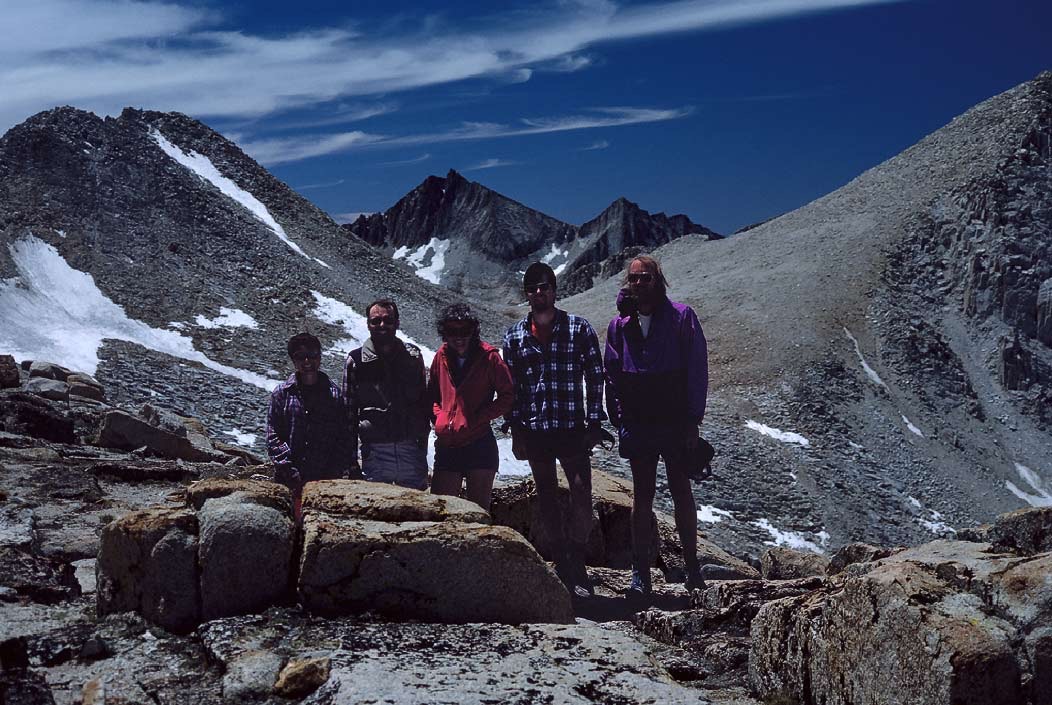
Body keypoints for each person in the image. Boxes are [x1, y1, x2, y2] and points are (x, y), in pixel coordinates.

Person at [604, 255, 709, 597]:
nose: (639, 283)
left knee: (681, 491)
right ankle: (640, 573)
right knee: (642, 496)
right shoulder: (619, 326)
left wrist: (693, 420)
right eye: (634, 279)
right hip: (640, 423)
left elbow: (697, 369)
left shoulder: (681, 317)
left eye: (645, 278)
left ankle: (692, 567)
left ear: (658, 280)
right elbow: (613, 374)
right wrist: (619, 417)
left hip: (675, 421)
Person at [502, 262, 605, 595]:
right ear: (526, 293)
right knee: (546, 493)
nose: (538, 293)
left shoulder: (578, 328)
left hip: (572, 425)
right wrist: (515, 427)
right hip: (536, 427)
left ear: (554, 290)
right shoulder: (515, 335)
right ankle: (562, 560)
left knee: (581, 491)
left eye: (544, 286)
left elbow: (595, 374)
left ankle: (576, 557)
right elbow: (512, 385)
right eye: (532, 288)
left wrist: (593, 420)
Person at [428, 303, 514, 510]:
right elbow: (432, 394)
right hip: (448, 445)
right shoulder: (441, 355)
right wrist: (440, 417)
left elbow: (508, 394)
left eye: (464, 331)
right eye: (452, 331)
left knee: (479, 513)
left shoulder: (489, 357)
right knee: (441, 511)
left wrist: (480, 417)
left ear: (473, 331)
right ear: (444, 332)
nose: (459, 337)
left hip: (479, 444)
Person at [266, 332, 357, 520]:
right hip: (288, 479)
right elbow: (273, 434)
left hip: (324, 478)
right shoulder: (282, 394)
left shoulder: (334, 394)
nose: (307, 361)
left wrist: (335, 470)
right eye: (300, 356)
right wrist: (289, 469)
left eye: (313, 355)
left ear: (320, 357)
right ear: (293, 360)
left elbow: (342, 435)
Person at [343, 299, 431, 490]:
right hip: (375, 452)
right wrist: (351, 461)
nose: (382, 325)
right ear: (368, 324)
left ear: (397, 323)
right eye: (375, 321)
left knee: (414, 511)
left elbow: (423, 405)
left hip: (410, 449)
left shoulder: (413, 357)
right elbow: (348, 414)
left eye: (388, 320)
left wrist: (421, 448)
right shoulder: (355, 361)